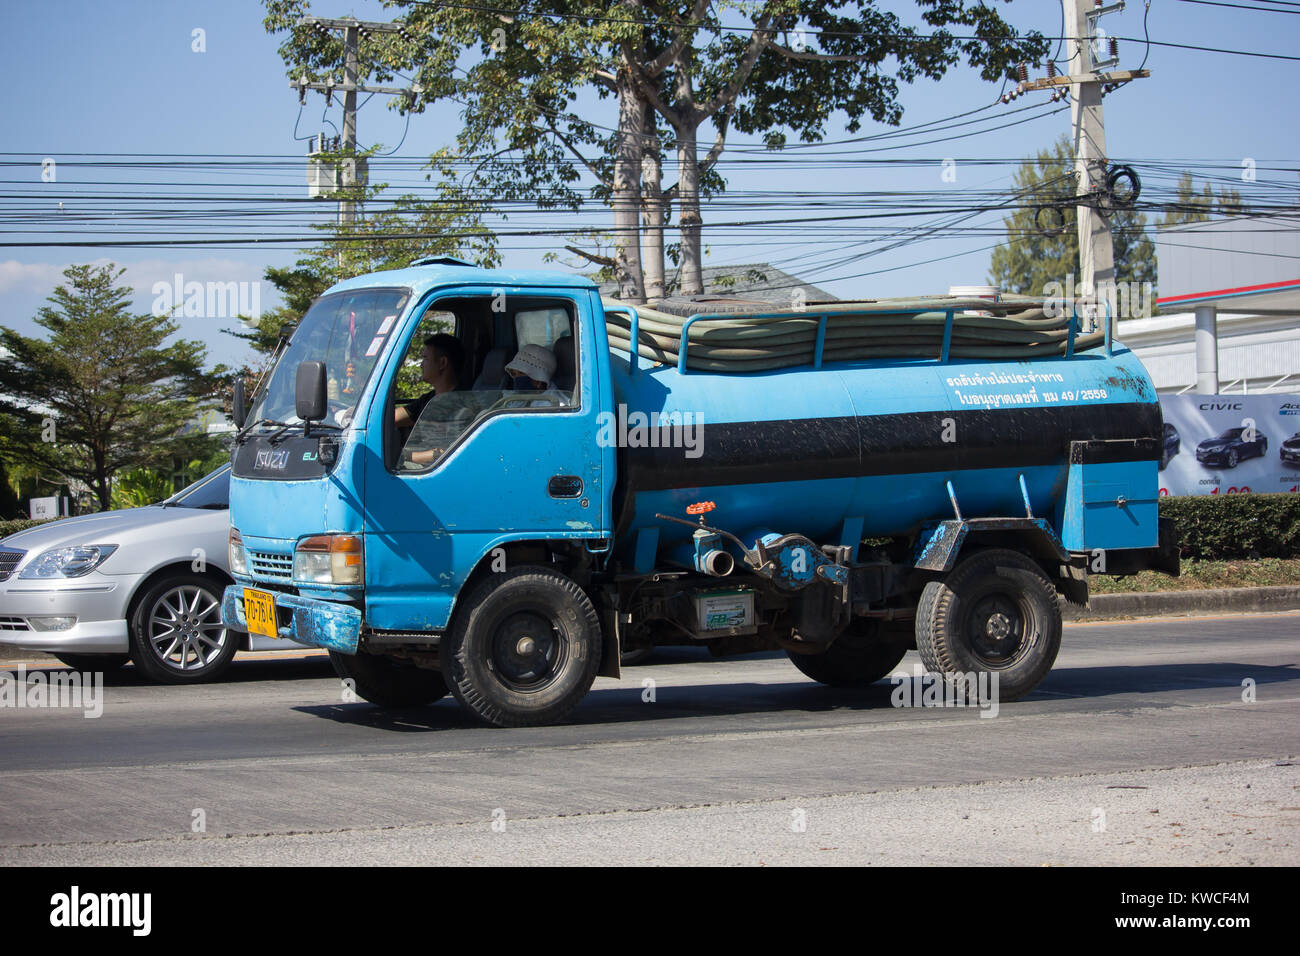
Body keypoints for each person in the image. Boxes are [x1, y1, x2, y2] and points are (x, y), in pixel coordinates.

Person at [395, 333, 466, 430]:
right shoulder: (428, 399)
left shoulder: (463, 404)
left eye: (425, 358)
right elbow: (391, 418)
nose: (421, 365)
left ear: (442, 363)